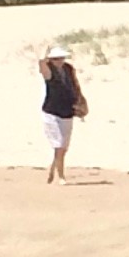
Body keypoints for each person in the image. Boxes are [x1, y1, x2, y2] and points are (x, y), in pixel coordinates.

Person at [38, 44, 88, 183]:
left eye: (61, 58)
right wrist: (44, 55)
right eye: (55, 59)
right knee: (58, 144)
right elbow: (42, 66)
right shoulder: (49, 71)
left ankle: (53, 167)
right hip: (51, 112)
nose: (59, 61)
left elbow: (76, 85)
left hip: (67, 111)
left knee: (63, 147)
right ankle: (61, 176)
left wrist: (80, 102)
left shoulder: (69, 69)